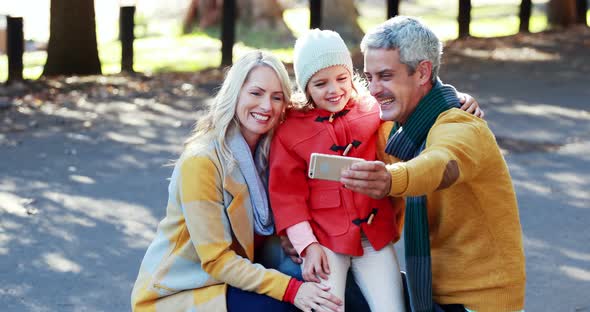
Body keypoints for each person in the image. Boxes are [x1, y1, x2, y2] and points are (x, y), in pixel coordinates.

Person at [130, 51, 343, 312]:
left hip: (236, 277)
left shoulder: (271, 153)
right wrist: (292, 290)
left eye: (277, 97)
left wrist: (289, 237)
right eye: (256, 93)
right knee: (292, 308)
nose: (267, 106)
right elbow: (217, 260)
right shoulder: (202, 161)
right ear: (235, 93)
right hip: (184, 289)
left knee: (338, 294)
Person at [341, 16, 526, 312]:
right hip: (428, 291)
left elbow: (441, 164)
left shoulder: (464, 127)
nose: (374, 89)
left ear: (423, 72)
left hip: (478, 302)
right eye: (370, 76)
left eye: (385, 76)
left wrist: (391, 179)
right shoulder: (392, 129)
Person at [269, 29, 407, 312]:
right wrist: (307, 246)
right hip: (324, 241)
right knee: (327, 307)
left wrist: (456, 97)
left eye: (342, 78)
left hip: (373, 237)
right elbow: (287, 197)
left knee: (392, 307)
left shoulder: (372, 108)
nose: (334, 90)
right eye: (320, 83)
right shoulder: (290, 130)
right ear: (306, 87)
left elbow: (413, 103)